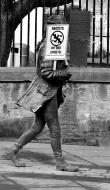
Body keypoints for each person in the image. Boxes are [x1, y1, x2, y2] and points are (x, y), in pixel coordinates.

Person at [5, 14, 79, 172]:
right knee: (55, 128)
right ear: (53, 28)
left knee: (37, 126)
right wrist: (63, 74)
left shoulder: (53, 46)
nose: (64, 28)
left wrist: (61, 69)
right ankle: (60, 162)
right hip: (46, 91)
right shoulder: (48, 46)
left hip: (47, 90)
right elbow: (46, 73)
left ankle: (13, 151)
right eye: (61, 25)